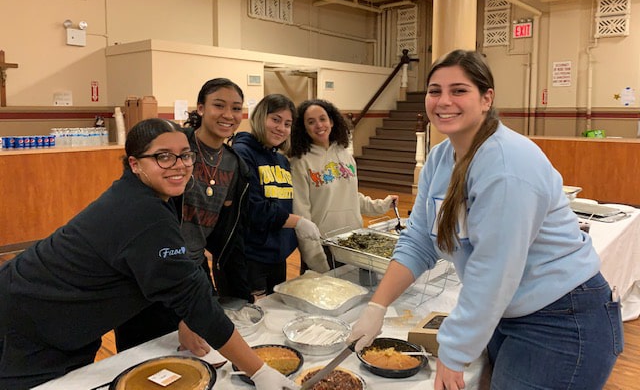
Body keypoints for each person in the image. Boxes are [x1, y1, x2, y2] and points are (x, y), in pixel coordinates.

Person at [348, 50, 623, 390]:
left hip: (562, 320)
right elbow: (419, 238)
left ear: (486, 98)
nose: (444, 100)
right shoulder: (440, 158)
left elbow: (494, 271)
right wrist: (378, 304)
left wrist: (454, 351)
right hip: (510, 312)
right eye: (435, 91)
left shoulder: (507, 164)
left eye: (459, 90)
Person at [0, 118, 298, 390]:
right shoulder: (141, 212)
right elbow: (194, 300)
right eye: (163, 156)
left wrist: (186, 316)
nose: (179, 165)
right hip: (30, 319)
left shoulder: (153, 195)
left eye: (185, 154)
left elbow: (177, 275)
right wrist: (259, 372)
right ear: (134, 163)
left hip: (64, 322)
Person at [114, 78, 254, 353]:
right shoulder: (171, 146)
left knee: (195, 355)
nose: (228, 114)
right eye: (219, 105)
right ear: (200, 108)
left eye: (236, 108)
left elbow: (229, 236)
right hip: (148, 270)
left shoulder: (235, 164)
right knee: (142, 355)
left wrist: (241, 294)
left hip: (193, 269)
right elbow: (136, 206)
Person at [232, 94, 328, 297]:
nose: (281, 128)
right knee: (253, 317)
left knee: (273, 311)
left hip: (277, 255)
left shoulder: (281, 160)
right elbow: (253, 207)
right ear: (260, 117)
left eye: (287, 123)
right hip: (251, 257)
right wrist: (297, 222)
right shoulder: (243, 153)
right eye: (275, 119)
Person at [289, 99, 398, 241]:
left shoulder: (345, 155)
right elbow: (301, 212)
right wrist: (314, 256)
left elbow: (351, 196)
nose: (319, 125)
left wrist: (382, 205)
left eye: (323, 119)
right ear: (304, 128)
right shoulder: (300, 162)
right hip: (323, 244)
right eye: (311, 122)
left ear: (332, 122)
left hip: (354, 239)